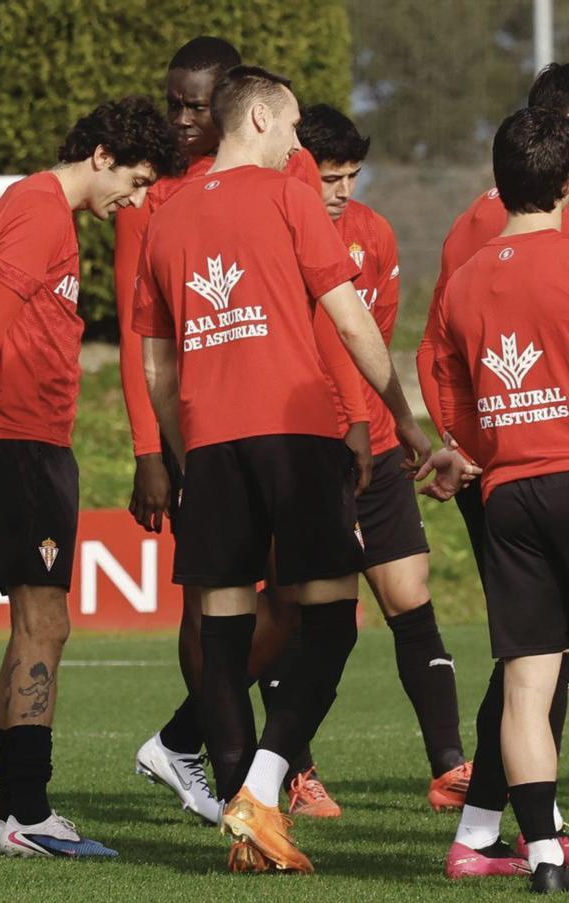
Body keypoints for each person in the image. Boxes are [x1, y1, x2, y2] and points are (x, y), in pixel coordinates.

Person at [135, 65, 432, 873]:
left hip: (212, 445)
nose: (299, 144)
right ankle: (263, 789)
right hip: (296, 437)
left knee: (224, 641)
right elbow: (350, 319)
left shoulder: (163, 219)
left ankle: (246, 812)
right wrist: (400, 415)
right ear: (261, 118)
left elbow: (157, 368)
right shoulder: (290, 196)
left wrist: (184, 447)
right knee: (332, 621)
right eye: (294, 127)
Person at [115, 35, 364, 824]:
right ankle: (244, 783)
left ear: (229, 105)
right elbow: (144, 345)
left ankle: (240, 772)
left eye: (193, 104)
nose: (179, 119)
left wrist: (353, 413)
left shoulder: (274, 184)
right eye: (173, 104)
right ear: (262, 115)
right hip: (231, 435)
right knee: (225, 613)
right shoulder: (155, 206)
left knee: (282, 607)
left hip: (271, 430)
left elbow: (317, 322)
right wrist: (152, 451)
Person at [0, 94, 181, 858]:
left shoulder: (44, 211)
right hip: (15, 441)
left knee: (42, 621)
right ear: (102, 155)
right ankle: (24, 817)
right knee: (44, 621)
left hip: (32, 440)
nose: (137, 199)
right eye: (137, 180)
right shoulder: (40, 210)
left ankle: (20, 810)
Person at [293, 103, 472, 810]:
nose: (340, 190)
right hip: (310, 450)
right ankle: (296, 768)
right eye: (328, 176)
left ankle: (450, 766)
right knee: (312, 614)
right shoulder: (279, 236)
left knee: (411, 598)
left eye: (350, 176)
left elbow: (374, 342)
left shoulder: (375, 234)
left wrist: (404, 424)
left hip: (379, 443)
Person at [414, 62, 569, 879]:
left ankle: (542, 852)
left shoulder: (465, 280)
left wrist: (471, 446)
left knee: (526, 683)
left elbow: (437, 369)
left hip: (508, 493)